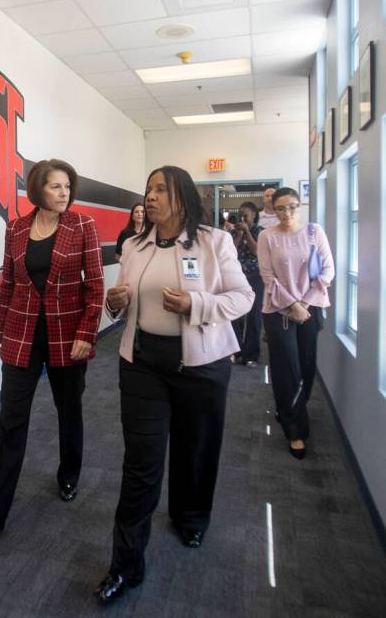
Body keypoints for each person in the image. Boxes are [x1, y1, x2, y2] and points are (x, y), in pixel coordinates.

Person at [95, 166, 254, 602]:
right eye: (147, 188)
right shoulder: (134, 245)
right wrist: (114, 302)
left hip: (202, 367)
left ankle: (191, 518)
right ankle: (126, 566)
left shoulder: (213, 242)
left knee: (195, 451)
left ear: (181, 197)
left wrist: (196, 303)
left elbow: (243, 298)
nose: (150, 196)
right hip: (143, 365)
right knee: (140, 464)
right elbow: (121, 303)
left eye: (160, 189)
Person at [0, 159, 104, 533]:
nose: (64, 194)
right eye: (55, 187)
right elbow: (8, 283)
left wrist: (86, 333)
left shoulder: (82, 226)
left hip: (68, 334)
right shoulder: (16, 228)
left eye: (67, 187)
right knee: (11, 420)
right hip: (22, 332)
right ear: (38, 190)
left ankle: (69, 474)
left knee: (68, 410)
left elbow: (95, 285)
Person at [257, 187, 334, 460]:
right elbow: (268, 277)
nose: (286, 213)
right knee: (287, 368)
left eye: (291, 207)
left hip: (310, 309)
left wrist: (305, 304)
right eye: (280, 208)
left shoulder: (314, 232)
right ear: (273, 210)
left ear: (299, 206)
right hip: (279, 312)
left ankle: (288, 407)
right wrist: (292, 305)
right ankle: (296, 431)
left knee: (307, 366)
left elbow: (328, 270)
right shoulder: (267, 236)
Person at [231, 202, 265, 366]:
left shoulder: (261, 232)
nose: (242, 218)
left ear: (254, 215)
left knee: (254, 316)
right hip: (237, 277)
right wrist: (238, 234)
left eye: (245, 215)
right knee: (235, 315)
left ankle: (251, 355)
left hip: (256, 276)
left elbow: (257, 252)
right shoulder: (232, 232)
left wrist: (247, 233)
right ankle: (236, 352)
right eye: (240, 215)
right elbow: (230, 252)